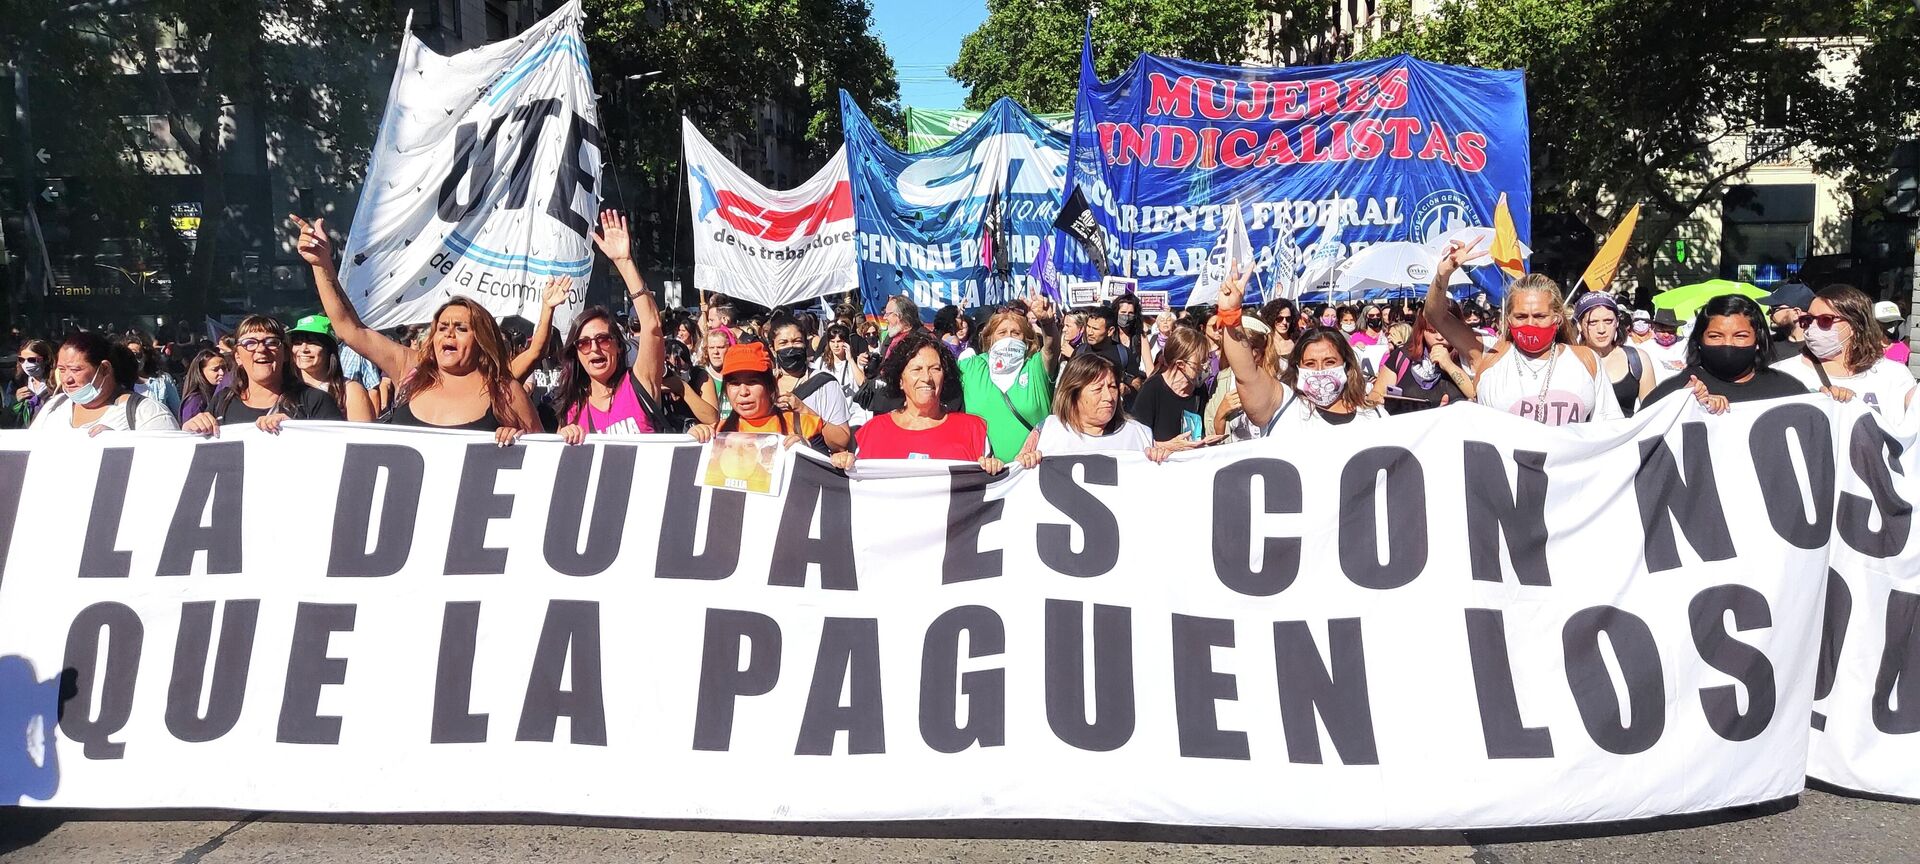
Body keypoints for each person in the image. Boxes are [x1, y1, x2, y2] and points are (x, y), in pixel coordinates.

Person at [292, 215, 539, 444]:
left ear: (482, 340)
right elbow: (351, 329)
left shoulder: (505, 392)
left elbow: (545, 459)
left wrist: (516, 439)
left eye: (461, 328)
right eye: (442, 327)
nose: (448, 334)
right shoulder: (410, 369)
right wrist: (321, 264)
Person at [1423, 241, 1622, 425]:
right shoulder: (1490, 354)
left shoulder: (1586, 361)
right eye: (1521, 316)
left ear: (1557, 317)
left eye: (1539, 316)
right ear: (1508, 319)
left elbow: (1611, 429)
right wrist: (1443, 276)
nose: (1530, 324)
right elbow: (1435, 316)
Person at [1214, 269, 1385, 430]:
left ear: (1347, 365)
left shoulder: (1374, 415)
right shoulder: (1282, 406)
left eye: (1329, 362)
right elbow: (1246, 373)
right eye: (1310, 363)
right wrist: (1230, 315)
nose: (1319, 371)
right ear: (1297, 367)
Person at [833, 331, 1001, 471]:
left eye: (935, 369)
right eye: (916, 369)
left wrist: (993, 469)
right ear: (899, 379)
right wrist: (843, 463)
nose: (926, 378)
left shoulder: (974, 430)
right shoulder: (872, 432)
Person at [1772, 284, 1917, 423]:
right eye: (1807, 320)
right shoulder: (1782, 374)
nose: (1813, 327)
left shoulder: (1895, 376)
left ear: (1855, 324)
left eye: (1825, 320)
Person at [181, 315, 345, 435]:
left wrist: (298, 431)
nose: (261, 349)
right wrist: (192, 430)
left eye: (272, 342)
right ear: (237, 356)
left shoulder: (315, 401)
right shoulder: (223, 401)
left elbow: (340, 455)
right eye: (250, 343)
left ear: (286, 354)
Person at [1645, 294, 1810, 412]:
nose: (1728, 344)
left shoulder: (1788, 389)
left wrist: (1832, 401)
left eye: (1741, 336)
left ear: (1758, 340)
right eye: (1716, 336)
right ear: (1700, 340)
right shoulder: (1674, 391)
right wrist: (1680, 405)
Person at [688, 342, 851, 452]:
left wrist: (807, 451)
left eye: (752, 382)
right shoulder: (717, 432)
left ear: (770, 385)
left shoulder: (804, 424)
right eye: (735, 384)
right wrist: (693, 438)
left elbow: (838, 453)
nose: (743, 392)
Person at [1014, 353, 1169, 465]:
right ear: (1074, 393)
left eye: (1113, 387)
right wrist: (1026, 462)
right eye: (1097, 389)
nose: (1109, 397)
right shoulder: (1046, 431)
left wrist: (1159, 460)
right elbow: (1018, 477)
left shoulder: (1139, 434)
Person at [960, 295, 1059, 461]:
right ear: (990, 338)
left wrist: (1047, 324)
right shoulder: (971, 367)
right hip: (982, 471)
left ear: (1026, 340)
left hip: (1031, 470)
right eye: (1002, 333)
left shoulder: (1035, 367)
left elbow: (1050, 349)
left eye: (1016, 333)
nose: (1009, 337)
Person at [31, 332, 180, 433]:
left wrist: (120, 449)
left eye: (75, 370)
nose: (67, 379)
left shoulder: (147, 414)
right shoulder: (53, 407)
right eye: (62, 370)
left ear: (104, 369)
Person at [1369, 300, 1475, 415]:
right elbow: (1375, 394)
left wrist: (1448, 365)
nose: (1439, 337)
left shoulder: (1469, 356)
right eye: (1431, 331)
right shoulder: (1402, 356)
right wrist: (1381, 401)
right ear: (1421, 330)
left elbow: (1476, 394)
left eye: (1445, 331)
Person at [767, 313, 853, 448]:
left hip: (811, 463)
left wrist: (804, 409)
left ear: (806, 344)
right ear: (773, 349)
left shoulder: (825, 383)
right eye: (783, 343)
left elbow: (842, 441)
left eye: (797, 341)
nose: (791, 347)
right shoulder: (765, 385)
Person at [1131, 325, 1222, 448]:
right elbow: (1137, 439)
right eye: (1200, 362)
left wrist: (1205, 440)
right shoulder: (1152, 389)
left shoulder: (1200, 391)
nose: (1205, 367)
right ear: (1180, 364)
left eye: (1206, 360)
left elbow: (1199, 432)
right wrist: (1168, 446)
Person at [1572, 293, 1656, 417]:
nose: (1601, 329)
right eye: (1593, 322)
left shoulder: (1638, 360)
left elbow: (1653, 412)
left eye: (1608, 321)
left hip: (1628, 436)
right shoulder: (1568, 361)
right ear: (1580, 325)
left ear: (1617, 322)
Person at [287, 315, 375, 421]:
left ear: (329, 349)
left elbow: (363, 435)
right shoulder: (284, 388)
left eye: (313, 343)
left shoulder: (350, 390)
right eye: (297, 343)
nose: (303, 349)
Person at [1204, 314, 1278, 438]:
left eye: (1252, 348)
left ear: (1263, 348)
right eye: (1239, 349)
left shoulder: (1278, 379)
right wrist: (1221, 413)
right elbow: (1211, 436)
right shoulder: (1222, 379)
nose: (1245, 355)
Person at [123, 331, 181, 414]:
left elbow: (177, 411)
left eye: (138, 355)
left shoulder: (163, 379)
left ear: (146, 355)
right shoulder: (119, 384)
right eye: (130, 355)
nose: (135, 360)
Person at [1758, 282, 1815, 362]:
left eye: (1774, 309)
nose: (1768, 313)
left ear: (1796, 313)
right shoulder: (1767, 344)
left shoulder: (1816, 350)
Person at [7, 339, 57, 427]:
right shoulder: (17, 382)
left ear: (46, 360)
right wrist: (15, 401)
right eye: (21, 359)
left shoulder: (57, 384)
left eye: (32, 360)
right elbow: (7, 416)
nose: (26, 364)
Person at [816, 322, 866, 399]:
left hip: (850, 408)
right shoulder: (821, 362)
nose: (835, 345)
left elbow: (862, 383)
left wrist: (850, 359)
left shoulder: (854, 362)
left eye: (839, 341)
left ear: (846, 343)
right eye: (832, 342)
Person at [178, 348, 226, 422]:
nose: (222, 373)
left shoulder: (221, 393)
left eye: (223, 368)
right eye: (215, 369)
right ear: (201, 372)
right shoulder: (195, 402)